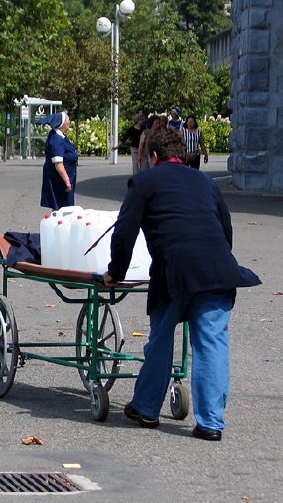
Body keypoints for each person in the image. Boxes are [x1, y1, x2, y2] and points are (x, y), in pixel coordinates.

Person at [101, 127, 260, 441]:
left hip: (174, 271)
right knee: (212, 343)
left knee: (161, 339)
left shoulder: (144, 181)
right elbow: (225, 228)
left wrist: (115, 273)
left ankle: (146, 409)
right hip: (217, 270)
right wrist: (215, 263)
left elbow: (124, 233)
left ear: (154, 156)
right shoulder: (205, 182)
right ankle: (211, 423)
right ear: (182, 155)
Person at [40, 111, 78, 210]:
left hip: (63, 179)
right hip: (59, 180)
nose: (69, 122)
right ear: (62, 124)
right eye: (68, 120)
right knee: (62, 208)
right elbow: (58, 164)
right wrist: (67, 181)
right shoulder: (56, 139)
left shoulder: (61, 136)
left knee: (64, 207)